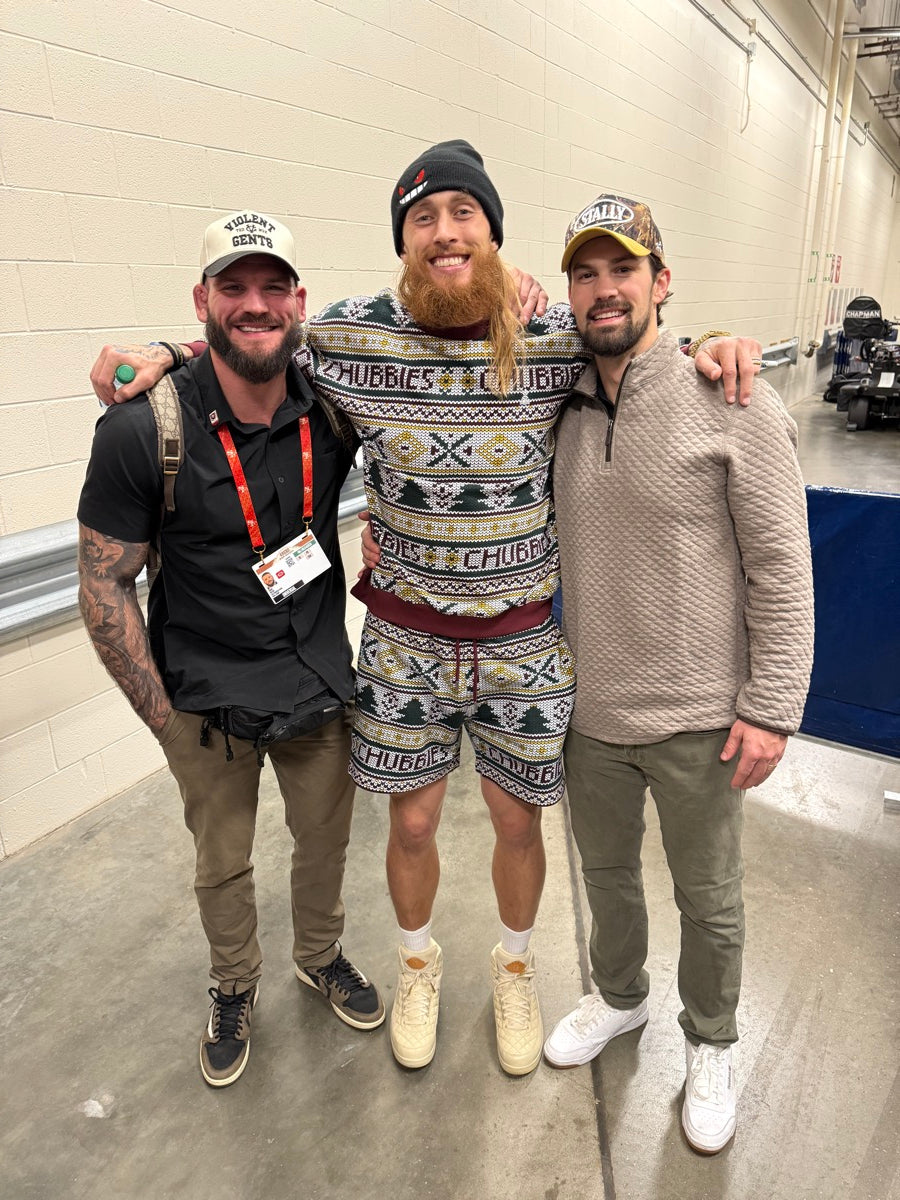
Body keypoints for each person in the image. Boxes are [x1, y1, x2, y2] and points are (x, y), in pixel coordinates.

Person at [89, 142, 760, 1080]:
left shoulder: (548, 341)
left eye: (463, 214)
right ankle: (417, 965)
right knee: (409, 827)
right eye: (422, 217)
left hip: (525, 640)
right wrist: (164, 350)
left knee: (519, 825)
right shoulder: (353, 338)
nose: (445, 232)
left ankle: (517, 968)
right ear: (401, 240)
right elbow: (256, 341)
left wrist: (713, 343)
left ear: (493, 233)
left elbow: (630, 338)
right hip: (406, 639)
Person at [77, 211, 384, 1090]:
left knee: (324, 843)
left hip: (317, 680)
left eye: (272, 287)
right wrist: (161, 716)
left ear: (298, 301)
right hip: (204, 700)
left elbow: (426, 369)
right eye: (234, 287)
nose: (256, 305)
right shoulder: (145, 430)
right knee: (224, 863)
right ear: (203, 299)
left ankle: (318, 955)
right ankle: (233, 983)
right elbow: (104, 586)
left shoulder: (331, 407)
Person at [541, 195, 814, 1154]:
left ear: (663, 283)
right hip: (594, 712)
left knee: (710, 898)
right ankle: (620, 997)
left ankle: (712, 1041)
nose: (603, 289)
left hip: (704, 719)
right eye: (585, 272)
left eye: (624, 269)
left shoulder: (732, 398)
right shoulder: (557, 401)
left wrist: (773, 706)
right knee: (607, 876)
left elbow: (781, 563)